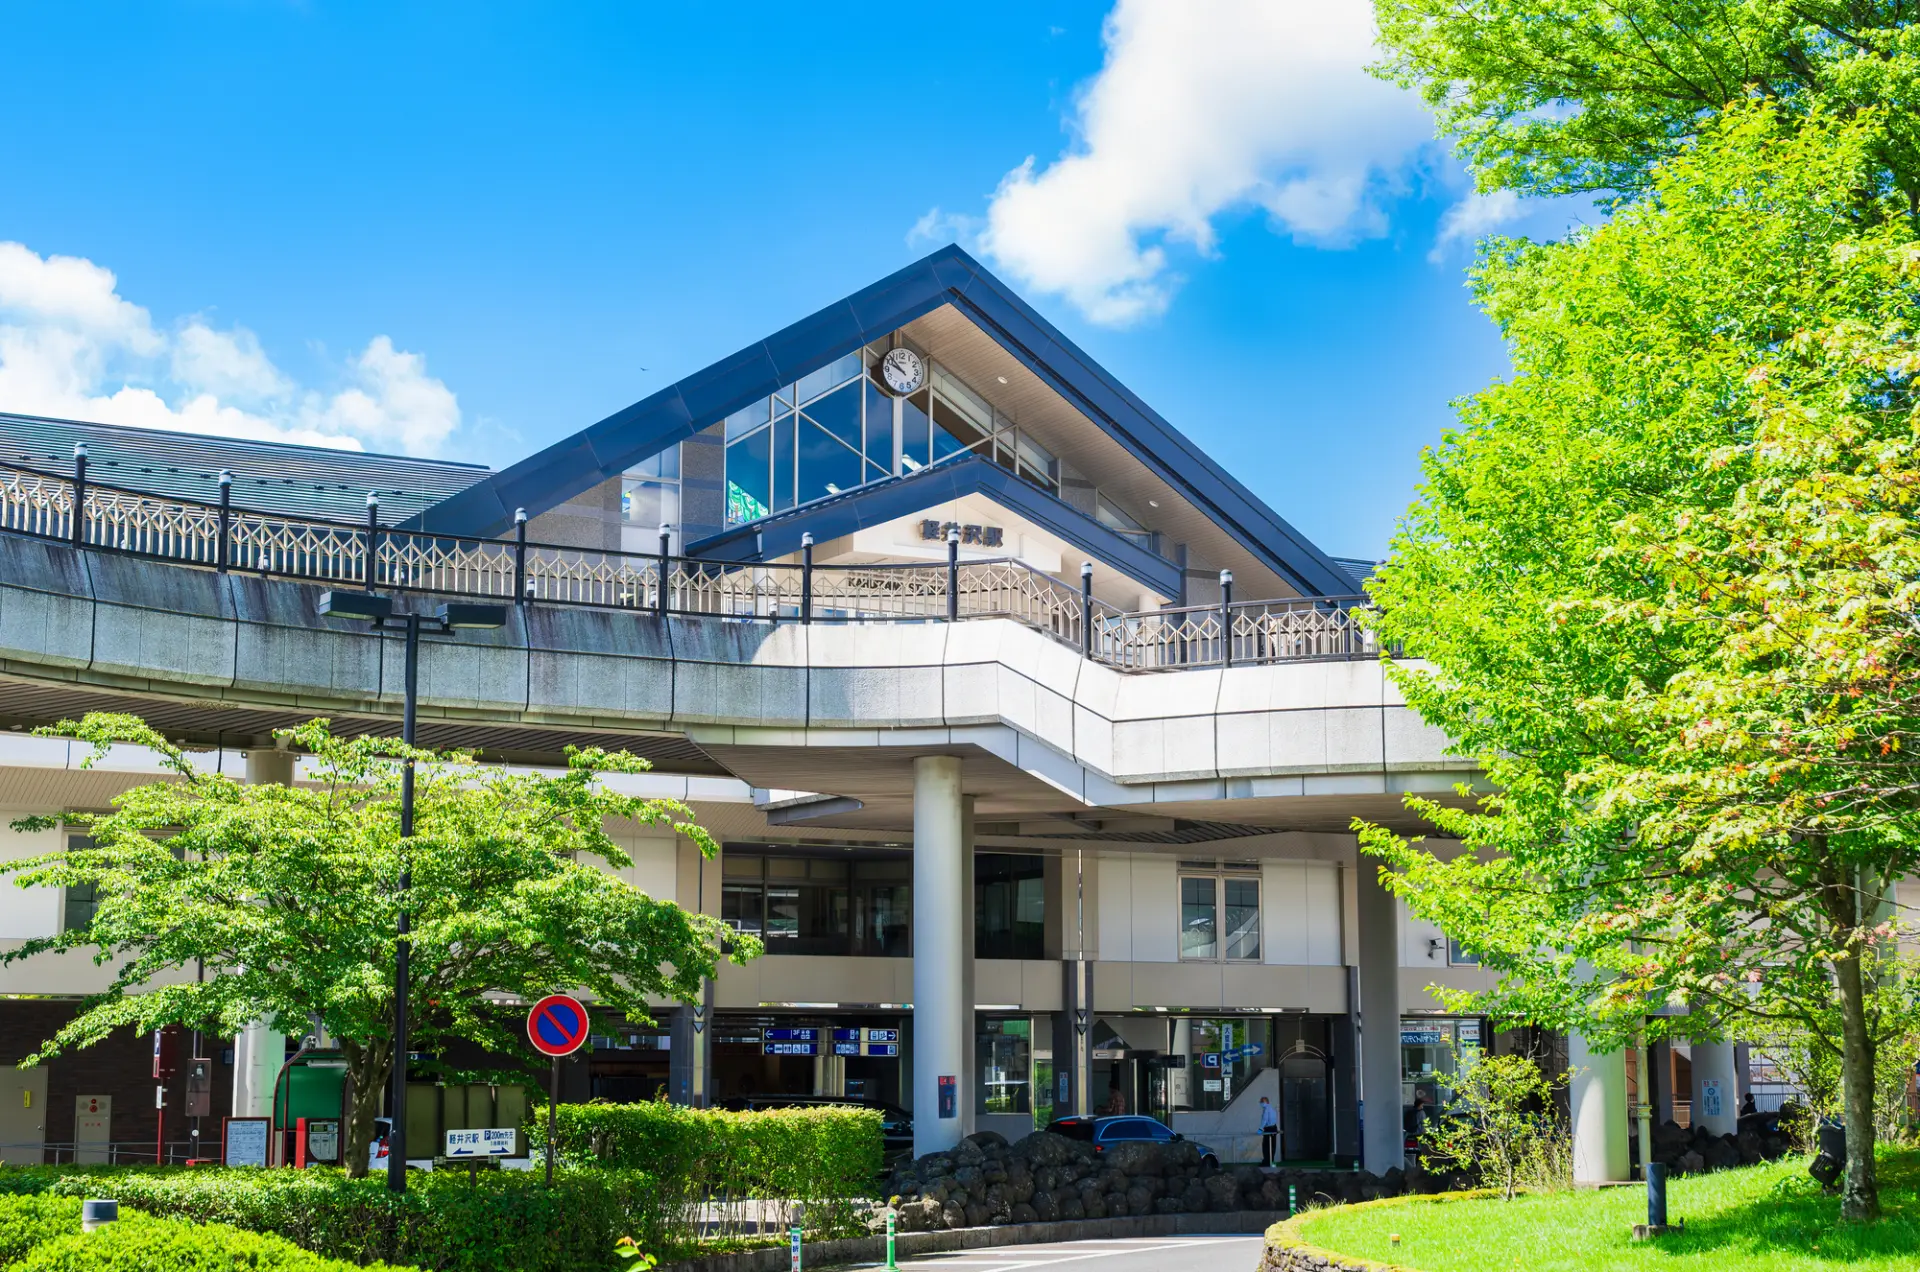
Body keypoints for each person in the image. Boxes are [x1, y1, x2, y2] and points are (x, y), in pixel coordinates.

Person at [1258, 1095, 1280, 1167]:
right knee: (1272, 1146)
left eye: (1262, 1102)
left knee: (1266, 1146)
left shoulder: (1266, 1109)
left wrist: (1260, 1128)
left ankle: (1267, 1162)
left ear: (1265, 1102)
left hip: (1269, 1129)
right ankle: (1270, 1161)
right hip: (1274, 1128)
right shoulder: (1272, 1109)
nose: (1261, 1103)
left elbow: (1265, 1119)